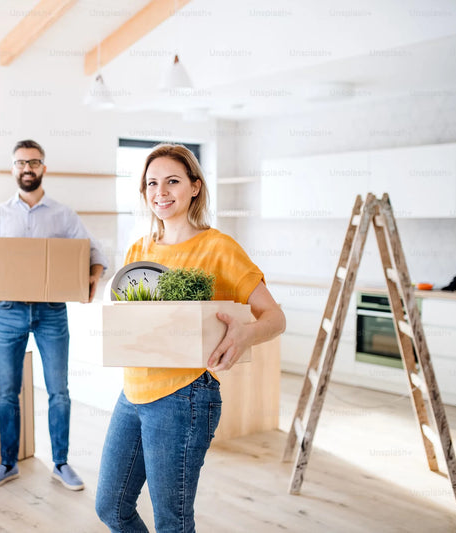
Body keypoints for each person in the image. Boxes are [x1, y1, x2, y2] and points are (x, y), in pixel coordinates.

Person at [95, 144, 286, 532]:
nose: (160, 192)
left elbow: (275, 317)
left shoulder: (219, 248)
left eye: (172, 181)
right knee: (111, 509)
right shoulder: (139, 249)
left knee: (172, 522)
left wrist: (245, 334)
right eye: (151, 183)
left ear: (195, 187)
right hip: (133, 391)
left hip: (184, 397)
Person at [0, 139, 108, 491]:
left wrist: (94, 276)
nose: (27, 168)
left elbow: (94, 251)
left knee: (58, 391)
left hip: (52, 314)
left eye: (33, 162)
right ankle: (7, 464)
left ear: (43, 167)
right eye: (20, 163)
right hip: (9, 312)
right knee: (7, 391)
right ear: (13, 169)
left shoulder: (63, 215)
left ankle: (61, 463)